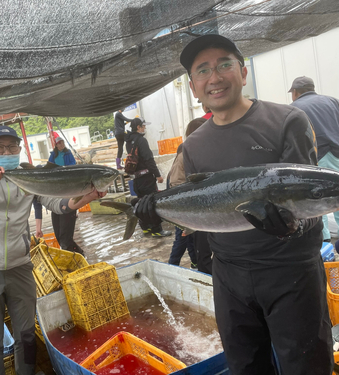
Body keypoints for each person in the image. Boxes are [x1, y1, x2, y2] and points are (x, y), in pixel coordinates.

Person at [135, 34, 332, 374]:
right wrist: (157, 211)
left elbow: (311, 202)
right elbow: (198, 212)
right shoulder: (194, 146)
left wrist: (292, 225)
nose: (215, 77)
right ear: (194, 87)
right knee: (245, 367)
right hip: (229, 277)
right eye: (203, 70)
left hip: (291, 275)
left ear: (243, 73)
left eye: (225, 64)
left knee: (307, 368)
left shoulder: (287, 121)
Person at [0, 125, 105, 375]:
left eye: (12, 146)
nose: (6, 151)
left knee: (26, 337)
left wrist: (88, 196)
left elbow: (59, 205)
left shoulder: (29, 175)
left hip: (21, 269)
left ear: (20, 149)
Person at [289, 76, 339, 242]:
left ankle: (324, 241)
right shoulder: (332, 101)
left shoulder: (294, 108)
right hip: (337, 154)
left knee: (317, 202)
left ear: (295, 92)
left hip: (318, 157)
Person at [166, 115, 208, 269]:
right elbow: (176, 183)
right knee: (181, 238)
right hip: (183, 207)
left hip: (195, 209)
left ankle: (195, 264)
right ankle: (171, 267)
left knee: (192, 240)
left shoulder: (201, 152)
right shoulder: (185, 154)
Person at [126, 117, 171, 238]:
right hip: (146, 178)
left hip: (136, 179)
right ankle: (157, 229)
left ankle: (145, 227)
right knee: (151, 203)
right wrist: (157, 175)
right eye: (143, 126)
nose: (145, 128)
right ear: (138, 127)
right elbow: (149, 159)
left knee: (141, 202)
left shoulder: (128, 141)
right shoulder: (141, 141)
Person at [47, 137, 83, 254]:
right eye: (58, 143)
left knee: (65, 237)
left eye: (62, 142)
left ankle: (77, 255)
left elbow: (73, 165)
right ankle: (78, 254)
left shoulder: (68, 153)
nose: (61, 145)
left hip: (67, 185)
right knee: (59, 236)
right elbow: (49, 166)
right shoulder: (53, 154)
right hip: (56, 188)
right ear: (56, 145)